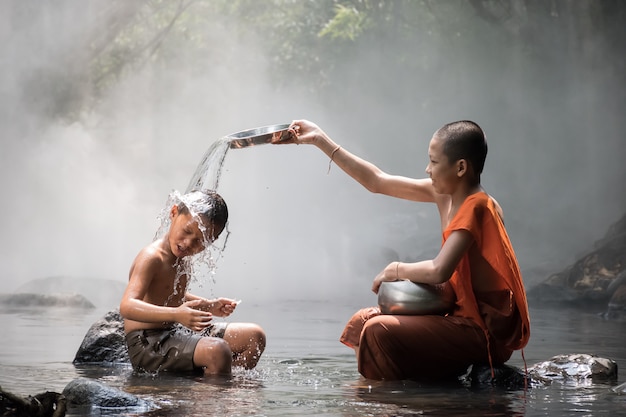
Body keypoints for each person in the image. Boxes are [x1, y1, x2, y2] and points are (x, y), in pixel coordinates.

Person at [278, 120, 530, 381]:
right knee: (361, 322)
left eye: (434, 162)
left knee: (378, 330)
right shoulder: (445, 194)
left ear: (461, 167)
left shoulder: (479, 206)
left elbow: (439, 270)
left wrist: (394, 269)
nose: (427, 169)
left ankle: (382, 399)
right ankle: (391, 391)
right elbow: (377, 181)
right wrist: (320, 139)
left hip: (481, 331)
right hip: (457, 317)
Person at [120, 190, 266, 376]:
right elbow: (127, 305)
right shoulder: (152, 257)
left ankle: (217, 381)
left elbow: (170, 294)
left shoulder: (181, 256)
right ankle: (208, 395)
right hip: (148, 343)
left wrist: (208, 305)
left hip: (174, 331)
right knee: (218, 351)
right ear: (173, 213)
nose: (188, 243)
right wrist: (176, 315)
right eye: (187, 231)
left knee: (254, 337)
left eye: (199, 240)